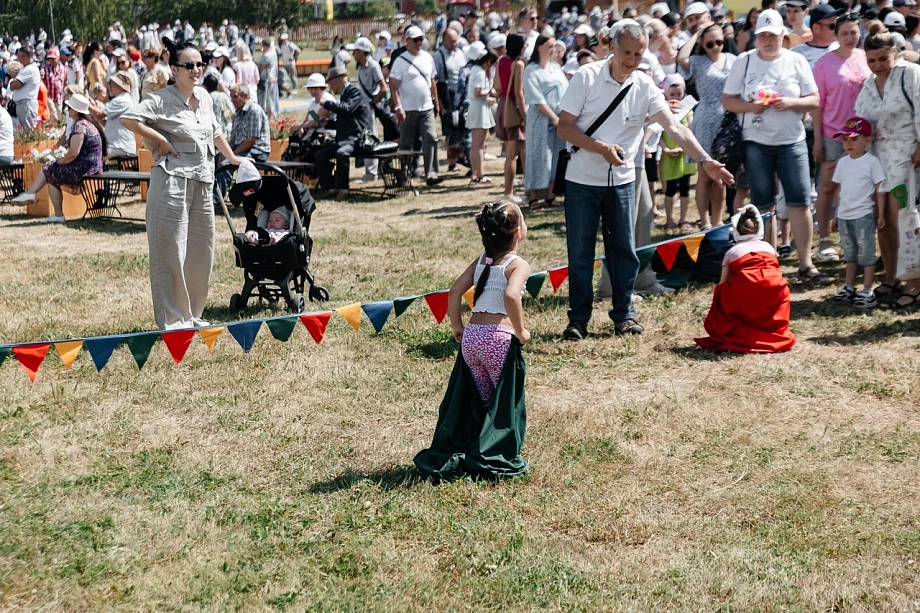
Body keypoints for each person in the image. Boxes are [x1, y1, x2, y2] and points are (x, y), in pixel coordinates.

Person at [556, 20, 733, 340]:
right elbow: (564, 127)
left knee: (624, 250)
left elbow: (676, 128)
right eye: (626, 52)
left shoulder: (645, 86)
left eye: (639, 53)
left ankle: (624, 315)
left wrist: (705, 161)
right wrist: (599, 148)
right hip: (582, 180)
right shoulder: (586, 76)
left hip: (623, 181)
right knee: (580, 253)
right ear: (611, 47)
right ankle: (578, 320)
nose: (632, 59)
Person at [119, 39, 244, 330]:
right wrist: (161, 140)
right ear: (174, 69)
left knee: (202, 251)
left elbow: (215, 132)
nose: (196, 70)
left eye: (200, 64)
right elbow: (128, 118)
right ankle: (173, 320)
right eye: (189, 65)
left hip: (202, 181)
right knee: (170, 251)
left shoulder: (206, 97)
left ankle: (192, 314)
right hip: (172, 183)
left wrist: (233, 158)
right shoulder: (161, 99)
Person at [414, 201, 531, 481]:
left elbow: (454, 291)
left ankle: (479, 445)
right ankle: (495, 453)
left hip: (472, 340)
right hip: (499, 339)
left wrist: (458, 327)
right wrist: (521, 329)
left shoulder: (481, 261)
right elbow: (512, 297)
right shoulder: (518, 264)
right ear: (517, 232)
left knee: (484, 398)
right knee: (503, 402)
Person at [723, 9, 831, 286]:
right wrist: (751, 107)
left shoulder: (795, 60)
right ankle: (768, 260)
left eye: (773, 35)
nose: (768, 40)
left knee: (800, 201)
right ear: (757, 37)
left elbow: (815, 99)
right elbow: (728, 101)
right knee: (762, 205)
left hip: (791, 141)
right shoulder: (744, 62)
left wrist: (791, 102)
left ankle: (806, 263)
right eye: (763, 36)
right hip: (755, 142)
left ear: (783, 36)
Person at [855, 22, 920, 309]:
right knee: (884, 222)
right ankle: (892, 276)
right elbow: (860, 121)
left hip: (909, 156)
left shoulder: (911, 74)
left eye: (883, 58)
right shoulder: (868, 84)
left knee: (906, 219)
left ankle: (914, 282)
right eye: (871, 61)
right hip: (878, 158)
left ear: (895, 52)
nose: (878, 65)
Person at [694, 205, 796, 353]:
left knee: (722, 293)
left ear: (736, 231)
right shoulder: (768, 247)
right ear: (759, 229)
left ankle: (734, 332)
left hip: (745, 287)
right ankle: (773, 333)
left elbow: (723, 281)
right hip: (774, 286)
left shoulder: (732, 251)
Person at [813, 12, 870, 264]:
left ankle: (857, 240)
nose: (849, 37)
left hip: (863, 133)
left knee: (860, 188)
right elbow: (817, 105)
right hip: (834, 133)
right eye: (844, 33)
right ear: (835, 35)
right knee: (827, 187)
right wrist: (817, 140)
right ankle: (824, 239)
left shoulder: (865, 57)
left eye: (854, 32)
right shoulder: (824, 64)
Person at [678, 22, 736, 230]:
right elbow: (681, 59)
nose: (715, 47)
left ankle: (718, 219)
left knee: (721, 170)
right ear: (703, 44)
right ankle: (704, 220)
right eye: (710, 43)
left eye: (719, 42)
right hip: (705, 117)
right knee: (704, 172)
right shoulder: (697, 61)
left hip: (727, 119)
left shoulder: (733, 59)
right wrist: (697, 34)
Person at [11, 94, 105, 222]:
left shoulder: (80, 126)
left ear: (76, 111)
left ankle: (44, 204)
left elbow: (73, 153)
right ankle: (34, 196)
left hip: (86, 169)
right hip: (92, 166)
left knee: (50, 169)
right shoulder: (89, 124)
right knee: (50, 169)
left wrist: (60, 161)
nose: (67, 109)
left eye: (69, 107)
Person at [827, 117, 884, 308]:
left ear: (867, 140)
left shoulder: (872, 162)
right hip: (844, 216)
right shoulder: (842, 163)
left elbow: (879, 189)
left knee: (866, 255)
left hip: (863, 215)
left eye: (853, 139)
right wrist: (836, 215)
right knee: (849, 254)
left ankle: (868, 290)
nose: (848, 144)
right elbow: (838, 190)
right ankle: (849, 287)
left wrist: (880, 214)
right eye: (845, 139)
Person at [389, 25, 443, 186]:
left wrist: (436, 101)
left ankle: (431, 174)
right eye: (416, 40)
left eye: (421, 39)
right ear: (407, 41)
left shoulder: (427, 57)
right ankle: (405, 175)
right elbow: (393, 86)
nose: (420, 42)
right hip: (408, 108)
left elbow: (432, 80)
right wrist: (398, 107)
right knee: (406, 143)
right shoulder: (400, 61)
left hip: (426, 107)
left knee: (431, 138)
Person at [314, 66, 373, 201]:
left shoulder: (354, 91)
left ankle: (344, 189)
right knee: (320, 155)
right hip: (345, 138)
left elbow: (347, 109)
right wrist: (327, 124)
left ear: (337, 81)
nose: (330, 87)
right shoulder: (345, 94)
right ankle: (329, 188)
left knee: (342, 154)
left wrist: (327, 103)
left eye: (330, 83)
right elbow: (344, 121)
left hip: (357, 139)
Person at [523, 34, 568, 206]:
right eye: (549, 46)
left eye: (554, 46)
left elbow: (565, 90)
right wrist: (553, 117)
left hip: (559, 117)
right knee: (538, 154)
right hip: (541, 119)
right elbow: (536, 98)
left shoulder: (556, 68)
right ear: (539, 47)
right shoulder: (531, 69)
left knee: (555, 155)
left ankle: (550, 195)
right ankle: (534, 196)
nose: (553, 50)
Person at [212, 83, 270, 205]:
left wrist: (231, 155)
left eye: (235, 96)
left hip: (257, 150)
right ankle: (213, 195)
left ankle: (216, 200)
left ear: (245, 96)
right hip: (242, 149)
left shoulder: (254, 110)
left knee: (226, 163)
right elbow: (233, 139)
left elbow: (251, 140)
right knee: (215, 159)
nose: (232, 100)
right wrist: (225, 152)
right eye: (231, 96)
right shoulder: (238, 113)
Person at [659, 74, 696, 232]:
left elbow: (690, 129)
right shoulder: (662, 111)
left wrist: (684, 147)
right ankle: (669, 219)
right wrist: (666, 149)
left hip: (684, 155)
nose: (676, 98)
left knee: (685, 188)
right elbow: (657, 134)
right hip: (668, 155)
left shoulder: (687, 111)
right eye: (672, 94)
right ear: (666, 93)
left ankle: (683, 218)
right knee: (670, 189)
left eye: (679, 94)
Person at [496, 33, 527, 202]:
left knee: (518, 151)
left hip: (502, 105)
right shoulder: (519, 64)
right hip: (514, 108)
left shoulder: (501, 61)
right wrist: (525, 115)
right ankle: (509, 192)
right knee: (513, 154)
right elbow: (518, 93)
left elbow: (497, 85)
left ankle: (516, 189)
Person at [354, 36, 388, 182]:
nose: (353, 53)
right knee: (364, 137)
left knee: (370, 138)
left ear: (361, 52)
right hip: (363, 107)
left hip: (369, 107)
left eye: (355, 51)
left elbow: (383, 88)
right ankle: (370, 170)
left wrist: (372, 103)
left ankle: (372, 172)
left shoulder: (373, 66)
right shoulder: (360, 67)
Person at [466, 42, 497, 185]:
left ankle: (475, 173)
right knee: (479, 145)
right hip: (479, 108)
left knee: (476, 145)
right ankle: (479, 174)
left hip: (479, 107)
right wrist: (490, 91)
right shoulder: (479, 71)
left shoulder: (475, 70)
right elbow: (477, 92)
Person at [91, 71, 137, 158]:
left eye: (112, 84)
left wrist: (85, 103)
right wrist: (91, 104)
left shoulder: (122, 99)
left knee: (91, 156)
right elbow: (104, 121)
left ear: (120, 86)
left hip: (119, 147)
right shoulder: (122, 99)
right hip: (118, 146)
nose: (110, 86)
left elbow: (99, 114)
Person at [9, 46, 40, 128]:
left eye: (19, 56)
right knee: (24, 132)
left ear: (24, 56)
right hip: (23, 105)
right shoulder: (26, 68)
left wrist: (13, 82)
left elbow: (14, 85)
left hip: (26, 105)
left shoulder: (29, 69)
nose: (18, 58)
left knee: (29, 131)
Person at [41, 46, 67, 120]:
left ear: (58, 58)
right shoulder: (45, 69)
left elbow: (65, 82)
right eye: (50, 59)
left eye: (53, 58)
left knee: (58, 116)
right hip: (49, 97)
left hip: (59, 98)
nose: (51, 60)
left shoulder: (64, 69)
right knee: (52, 116)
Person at [257, 38, 279, 118]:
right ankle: (272, 114)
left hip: (266, 79)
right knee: (271, 98)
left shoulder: (266, 56)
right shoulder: (273, 53)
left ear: (264, 45)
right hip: (272, 78)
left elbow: (262, 67)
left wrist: (257, 74)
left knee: (267, 98)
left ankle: (271, 114)